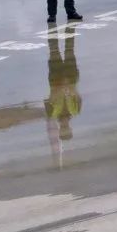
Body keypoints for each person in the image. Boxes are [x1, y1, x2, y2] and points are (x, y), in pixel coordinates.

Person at [45, 26, 81, 169]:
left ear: (60, 129)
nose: (65, 127)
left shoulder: (53, 114)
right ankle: (69, 28)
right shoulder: (75, 111)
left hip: (55, 78)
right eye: (67, 130)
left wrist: (59, 89)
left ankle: (52, 27)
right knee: (69, 49)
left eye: (63, 130)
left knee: (54, 50)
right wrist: (70, 88)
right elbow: (77, 95)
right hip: (71, 77)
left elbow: (48, 99)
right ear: (70, 128)